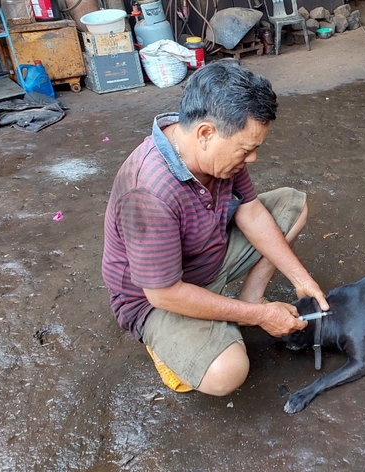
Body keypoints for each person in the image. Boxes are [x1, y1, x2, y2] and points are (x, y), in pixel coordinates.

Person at [102, 59, 329, 396]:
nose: (251, 159)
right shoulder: (149, 192)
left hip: (205, 253)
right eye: (246, 149)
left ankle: (248, 297)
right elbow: (163, 292)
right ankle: (168, 343)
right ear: (206, 133)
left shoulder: (215, 153)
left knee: (292, 206)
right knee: (227, 372)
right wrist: (258, 316)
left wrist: (301, 279)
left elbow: (250, 213)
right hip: (158, 297)